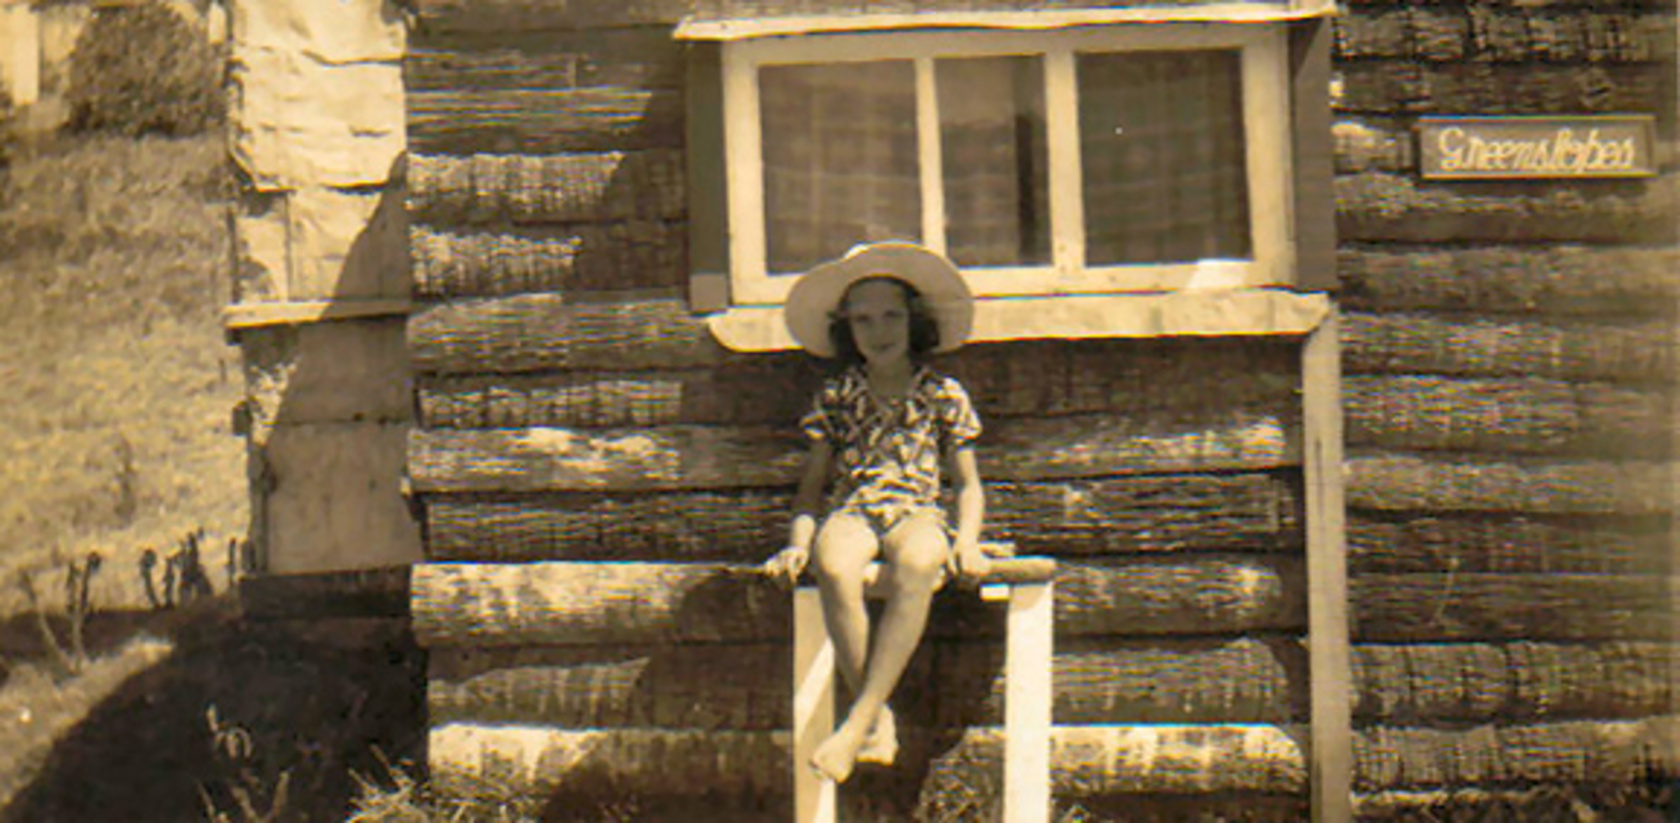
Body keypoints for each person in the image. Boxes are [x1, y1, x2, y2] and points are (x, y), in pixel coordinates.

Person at [762, 242, 991, 784]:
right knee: (834, 564)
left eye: (891, 316)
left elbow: (968, 485)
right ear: (846, 329)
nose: (878, 330)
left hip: (919, 511)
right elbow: (811, 490)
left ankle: (859, 721)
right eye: (862, 320)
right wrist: (797, 544)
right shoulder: (839, 394)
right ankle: (876, 717)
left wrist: (968, 541)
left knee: (919, 562)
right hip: (855, 509)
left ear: (915, 322)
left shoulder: (942, 394)